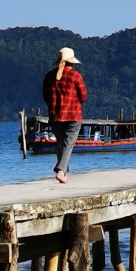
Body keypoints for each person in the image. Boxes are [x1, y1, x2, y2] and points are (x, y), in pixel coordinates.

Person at [42, 47, 87, 184]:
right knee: (68, 144)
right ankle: (61, 171)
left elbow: (45, 96)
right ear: (71, 62)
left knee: (61, 144)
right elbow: (83, 95)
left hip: (55, 115)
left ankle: (63, 173)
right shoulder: (75, 76)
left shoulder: (49, 76)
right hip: (73, 115)